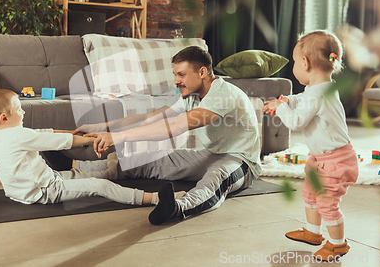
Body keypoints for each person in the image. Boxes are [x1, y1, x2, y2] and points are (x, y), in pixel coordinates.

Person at [75, 46, 262, 225]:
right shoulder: (191, 96)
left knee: (215, 178)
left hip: (241, 161)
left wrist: (119, 137)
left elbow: (175, 126)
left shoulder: (223, 95)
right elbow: (148, 118)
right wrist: (100, 127)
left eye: (181, 75)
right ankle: (81, 167)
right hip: (211, 154)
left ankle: (177, 208)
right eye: (175, 75)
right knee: (155, 157)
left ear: (202, 72)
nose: (176, 81)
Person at [262, 30, 359, 262]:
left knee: (327, 203)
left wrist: (280, 108)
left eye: (295, 62)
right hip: (321, 159)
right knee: (310, 194)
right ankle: (312, 233)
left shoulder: (318, 95)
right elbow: (303, 100)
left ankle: (338, 244)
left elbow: (296, 121)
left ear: (304, 63)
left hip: (335, 162)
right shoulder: (320, 89)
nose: (295, 66)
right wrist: (286, 100)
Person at [0, 88, 164, 206]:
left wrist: (73, 132)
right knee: (99, 186)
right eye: (18, 109)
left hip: (29, 187)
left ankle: (111, 172)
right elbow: (57, 142)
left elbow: (45, 132)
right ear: (4, 117)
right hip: (42, 190)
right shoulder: (18, 135)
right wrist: (91, 140)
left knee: (80, 174)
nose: (23, 111)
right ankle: (155, 199)